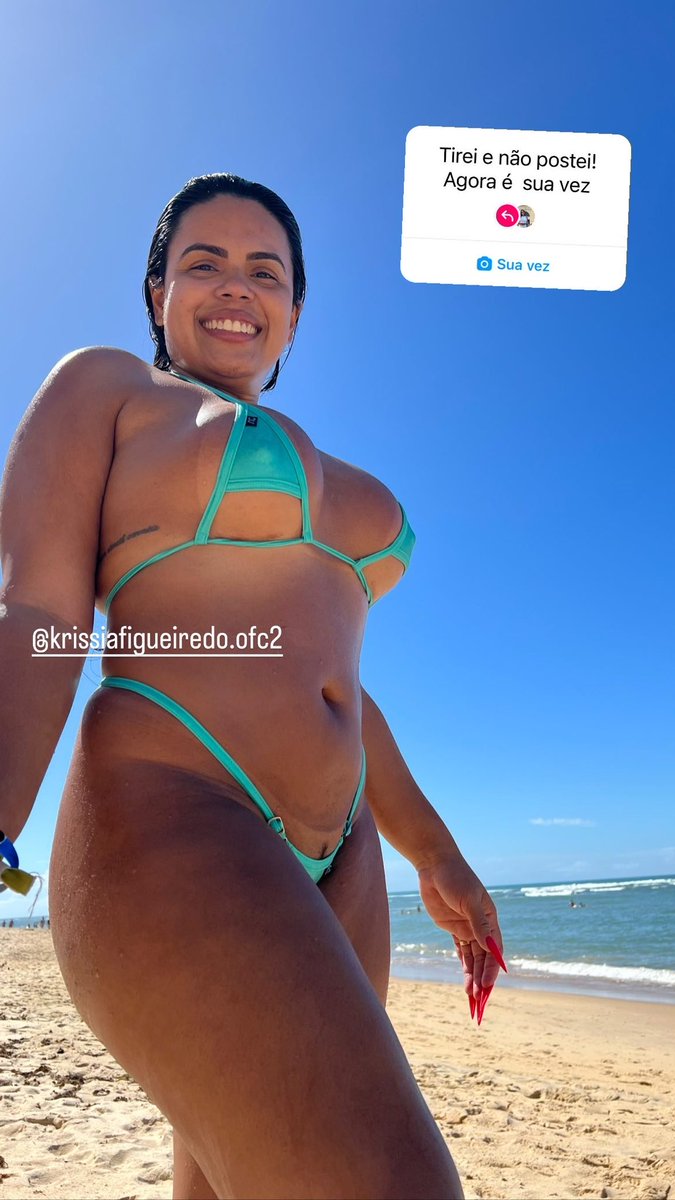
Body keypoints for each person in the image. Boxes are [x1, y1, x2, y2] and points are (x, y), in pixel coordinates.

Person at [0, 173, 506, 1200]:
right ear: (157, 295)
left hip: (344, 852)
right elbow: (41, 612)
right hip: (173, 804)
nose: (237, 285)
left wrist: (438, 855)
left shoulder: (333, 468)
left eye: (265, 271)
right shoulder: (111, 391)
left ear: (295, 312)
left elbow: (339, 688)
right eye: (205, 263)